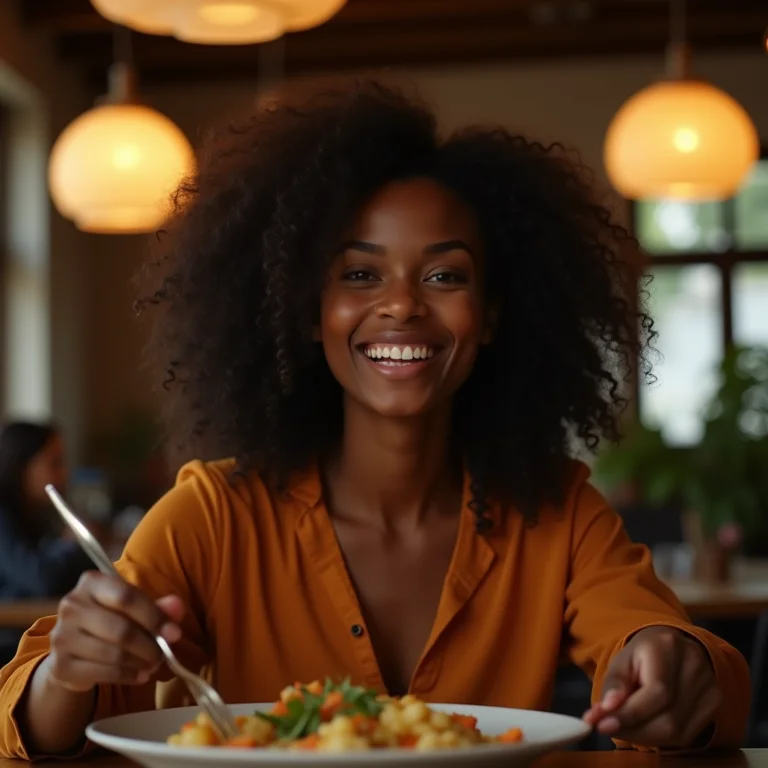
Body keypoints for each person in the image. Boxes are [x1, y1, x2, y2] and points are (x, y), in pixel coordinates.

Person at [0, 79, 748, 758]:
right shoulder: (214, 516)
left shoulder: (558, 513)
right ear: (305, 312)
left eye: (444, 275)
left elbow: (675, 654)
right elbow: (26, 722)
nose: (401, 304)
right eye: (359, 274)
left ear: (489, 315)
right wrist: (71, 667)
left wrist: (669, 658)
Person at [0, 422, 91, 664]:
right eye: (55, 463)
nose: (64, 474)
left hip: (27, 636)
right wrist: (72, 544)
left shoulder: (35, 514)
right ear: (22, 466)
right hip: (10, 645)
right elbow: (41, 576)